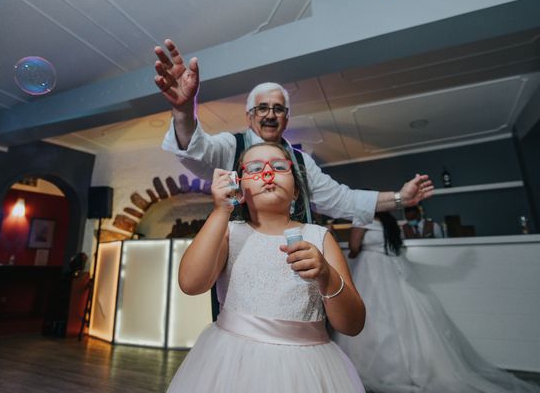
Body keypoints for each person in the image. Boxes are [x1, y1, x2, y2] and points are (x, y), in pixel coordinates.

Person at [154, 38, 434, 228]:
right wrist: (183, 109)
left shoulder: (301, 162)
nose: (271, 115)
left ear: (287, 119)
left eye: (278, 109)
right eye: (262, 108)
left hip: (295, 261)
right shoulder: (231, 146)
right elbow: (196, 151)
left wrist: (400, 199)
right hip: (241, 261)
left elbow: (341, 200)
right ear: (249, 116)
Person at [167, 142, 366, 392]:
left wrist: (327, 275)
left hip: (305, 370)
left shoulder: (320, 237)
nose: (267, 173)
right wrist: (220, 211)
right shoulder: (229, 232)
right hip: (232, 362)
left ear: (295, 191)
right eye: (255, 168)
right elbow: (190, 284)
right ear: (239, 188)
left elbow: (353, 324)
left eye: (279, 166)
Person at [334, 212, 540, 393]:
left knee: (376, 319)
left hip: (372, 270)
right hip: (392, 267)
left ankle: (384, 369)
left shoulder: (362, 219)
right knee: (403, 319)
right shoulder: (388, 221)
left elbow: (353, 247)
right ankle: (410, 368)